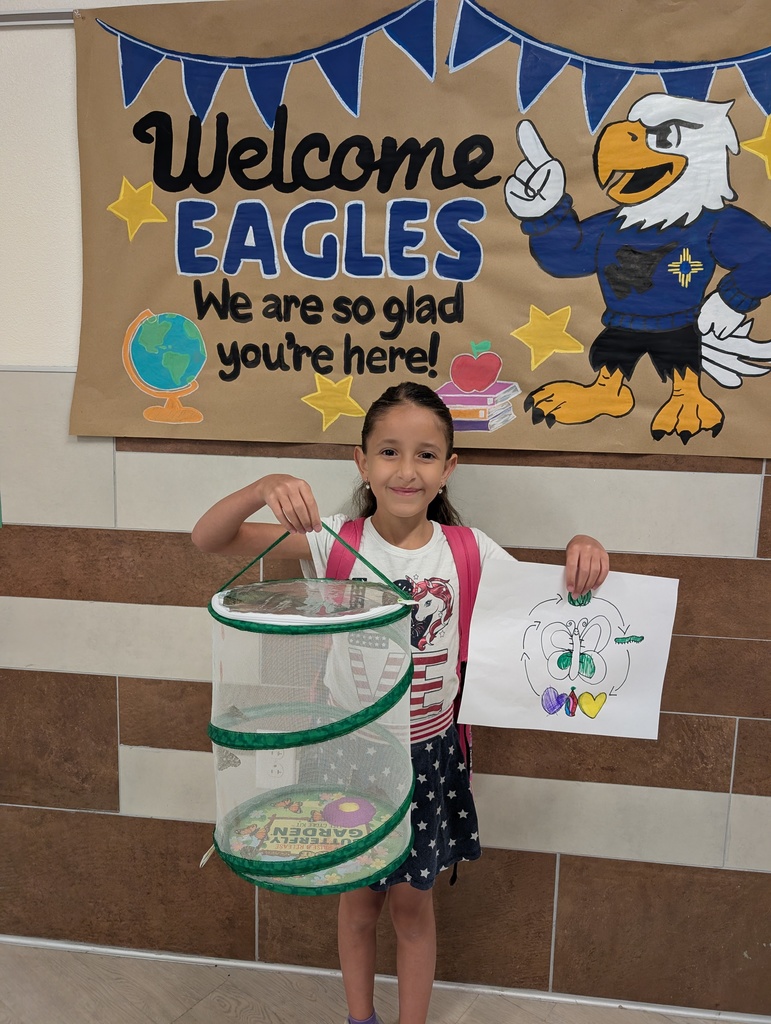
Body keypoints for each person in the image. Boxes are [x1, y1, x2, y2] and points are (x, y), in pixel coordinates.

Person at [192, 381, 609, 1024]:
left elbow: (555, 604)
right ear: (362, 463)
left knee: (413, 907)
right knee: (358, 902)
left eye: (424, 454)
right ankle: (361, 1018)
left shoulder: (469, 552)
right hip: (349, 753)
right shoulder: (334, 541)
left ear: (448, 469)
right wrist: (261, 486)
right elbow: (209, 540)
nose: (406, 470)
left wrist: (582, 549)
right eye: (389, 452)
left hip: (430, 756)